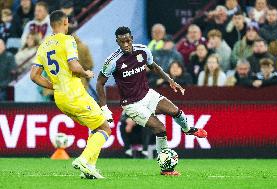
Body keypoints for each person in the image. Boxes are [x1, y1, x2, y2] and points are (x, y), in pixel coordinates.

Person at [96, 26, 207, 176]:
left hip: (148, 95)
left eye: (128, 40)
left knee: (176, 112)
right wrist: (104, 107)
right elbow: (100, 82)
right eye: (122, 42)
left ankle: (187, 129)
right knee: (160, 128)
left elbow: (153, 66)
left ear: (132, 39)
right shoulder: (112, 61)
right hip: (131, 104)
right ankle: (166, 168)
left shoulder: (143, 50)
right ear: (117, 42)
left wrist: (170, 81)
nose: (126, 44)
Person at [30, 10, 111, 179]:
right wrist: (86, 73)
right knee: (105, 128)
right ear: (65, 22)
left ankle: (89, 168)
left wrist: (53, 85)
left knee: (95, 127)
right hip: (75, 94)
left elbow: (34, 76)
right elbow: (74, 66)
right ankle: (83, 160)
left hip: (60, 98)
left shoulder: (43, 45)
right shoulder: (68, 40)